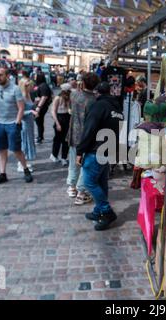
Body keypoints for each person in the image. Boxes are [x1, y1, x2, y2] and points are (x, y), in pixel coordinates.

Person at [76, 82, 124, 231]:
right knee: (101, 181)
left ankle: (106, 211)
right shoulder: (117, 109)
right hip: (109, 149)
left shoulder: (98, 106)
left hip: (96, 150)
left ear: (97, 93)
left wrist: (80, 150)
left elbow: (89, 129)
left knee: (89, 182)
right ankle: (98, 211)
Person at [0, 66, 33, 186]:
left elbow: (21, 108)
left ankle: (25, 170)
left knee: (16, 149)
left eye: (1, 75)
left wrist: (17, 122)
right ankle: (2, 174)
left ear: (7, 76)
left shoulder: (15, 89)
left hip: (12, 123)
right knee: (1, 149)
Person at [66, 72, 100, 204]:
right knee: (85, 165)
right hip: (87, 136)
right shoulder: (95, 100)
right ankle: (81, 191)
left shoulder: (74, 95)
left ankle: (71, 187)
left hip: (74, 133)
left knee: (73, 162)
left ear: (83, 83)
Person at [18, 70, 37, 172]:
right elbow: (19, 112)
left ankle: (24, 162)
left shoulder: (28, 95)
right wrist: (31, 111)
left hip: (29, 122)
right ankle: (21, 164)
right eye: (30, 86)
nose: (32, 87)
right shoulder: (22, 96)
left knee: (27, 141)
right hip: (24, 122)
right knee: (24, 143)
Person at [50, 83, 71, 165]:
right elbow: (53, 111)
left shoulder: (69, 98)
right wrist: (57, 123)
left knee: (66, 139)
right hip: (59, 118)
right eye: (68, 91)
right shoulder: (57, 98)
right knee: (58, 139)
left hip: (67, 117)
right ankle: (54, 155)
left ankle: (64, 157)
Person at [34, 72, 52, 144]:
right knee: (39, 122)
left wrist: (38, 107)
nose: (35, 78)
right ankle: (40, 136)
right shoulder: (42, 85)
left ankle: (40, 137)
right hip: (41, 106)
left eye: (36, 77)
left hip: (42, 107)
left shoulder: (43, 86)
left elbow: (44, 97)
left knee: (39, 121)